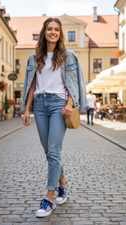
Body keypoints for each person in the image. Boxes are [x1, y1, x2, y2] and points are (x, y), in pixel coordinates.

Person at [21, 18, 86, 218]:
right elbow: (31, 85)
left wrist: (70, 104)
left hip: (59, 106)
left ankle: (49, 198)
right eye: (49, 29)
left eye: (56, 29)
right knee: (49, 151)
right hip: (40, 105)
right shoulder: (34, 58)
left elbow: (76, 82)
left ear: (60, 33)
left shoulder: (69, 56)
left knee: (53, 150)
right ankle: (63, 185)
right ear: (44, 32)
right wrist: (26, 109)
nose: (53, 32)